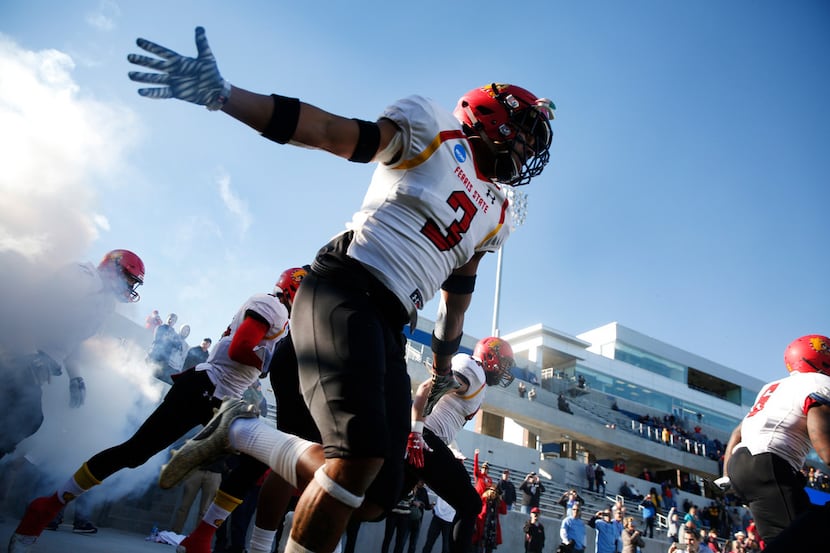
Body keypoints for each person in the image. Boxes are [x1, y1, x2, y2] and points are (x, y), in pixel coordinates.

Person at [127, 25, 554, 553]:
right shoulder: (435, 132)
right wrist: (226, 96)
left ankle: (241, 433)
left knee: (378, 494)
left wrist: (443, 368)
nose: (528, 146)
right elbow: (331, 131)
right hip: (346, 284)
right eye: (524, 130)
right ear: (490, 115)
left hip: (393, 320)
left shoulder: (496, 211)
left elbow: (458, 296)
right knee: (357, 457)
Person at [8, 270, 294, 551]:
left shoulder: (287, 320)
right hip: (204, 388)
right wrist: (269, 364)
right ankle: (47, 507)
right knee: (134, 453)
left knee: (260, 459)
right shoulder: (272, 306)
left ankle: (200, 538)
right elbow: (240, 348)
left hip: (224, 399)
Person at [0, 249, 145, 461]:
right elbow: (31, 308)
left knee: (25, 419)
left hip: (36, 364)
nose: (130, 288)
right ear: (113, 268)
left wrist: (75, 376)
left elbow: (71, 342)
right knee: (26, 417)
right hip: (17, 352)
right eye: (129, 280)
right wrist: (30, 353)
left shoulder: (105, 303)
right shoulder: (81, 277)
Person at [719, 334, 830, 544]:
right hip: (768, 462)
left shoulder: (773, 387)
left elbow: (737, 432)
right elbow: (823, 441)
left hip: (741, 464)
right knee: (804, 542)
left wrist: (727, 477)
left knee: (782, 540)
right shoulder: (820, 382)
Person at [146, 312, 182, 384]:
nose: (171, 321)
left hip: (164, 360)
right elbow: (158, 339)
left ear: (175, 322)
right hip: (154, 355)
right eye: (170, 319)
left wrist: (172, 341)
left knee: (156, 378)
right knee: (148, 374)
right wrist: (171, 341)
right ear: (167, 319)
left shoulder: (174, 334)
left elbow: (178, 345)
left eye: (173, 320)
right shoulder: (160, 327)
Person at [472, 485, 506, 553]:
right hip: (482, 526)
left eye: (495, 491)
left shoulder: (497, 502)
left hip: (491, 529)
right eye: (491, 490)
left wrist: (500, 498)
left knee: (489, 548)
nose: (493, 492)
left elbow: (504, 511)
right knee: (479, 547)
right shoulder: (483, 499)